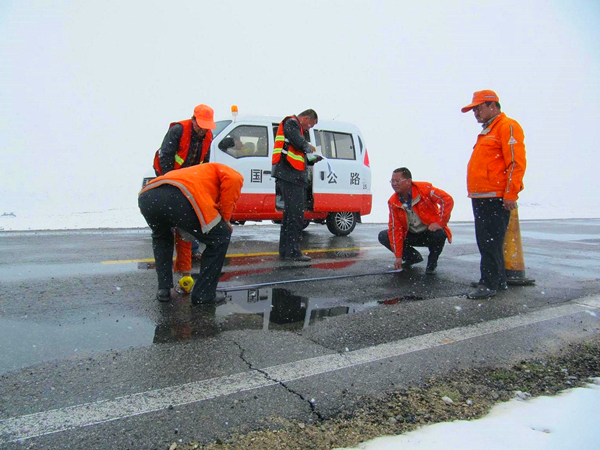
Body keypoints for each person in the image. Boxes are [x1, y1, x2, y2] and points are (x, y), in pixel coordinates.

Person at [138, 163, 244, 304]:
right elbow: (233, 180)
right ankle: (204, 295)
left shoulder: (198, 176)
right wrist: (225, 219)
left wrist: (186, 272)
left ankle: (164, 290)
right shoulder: (230, 172)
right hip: (180, 194)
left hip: (148, 195)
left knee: (162, 238)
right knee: (221, 236)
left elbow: (184, 236)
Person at [461, 90, 527, 299]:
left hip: (495, 197)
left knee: (490, 241)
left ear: (493, 106)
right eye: (474, 110)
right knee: (487, 241)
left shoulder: (507, 127)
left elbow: (516, 163)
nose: (476, 113)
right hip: (482, 197)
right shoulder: (488, 131)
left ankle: (489, 283)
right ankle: (497, 279)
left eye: (478, 108)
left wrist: (510, 193)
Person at [152, 104, 216, 283]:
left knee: (187, 218)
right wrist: (169, 181)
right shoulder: (179, 130)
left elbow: (205, 162)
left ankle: (188, 256)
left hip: (189, 179)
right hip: (170, 175)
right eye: (200, 126)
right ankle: (169, 270)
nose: (203, 130)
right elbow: (165, 156)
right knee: (171, 219)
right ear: (194, 119)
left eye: (206, 127)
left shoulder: (208, 136)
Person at [378, 167, 453, 274]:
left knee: (439, 234)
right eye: (392, 181)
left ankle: (431, 265)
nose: (394, 184)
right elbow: (395, 229)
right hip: (411, 235)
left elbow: (447, 200)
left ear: (408, 181)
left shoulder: (425, 189)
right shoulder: (393, 202)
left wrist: (440, 223)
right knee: (384, 235)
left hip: (429, 233)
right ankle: (412, 257)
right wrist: (398, 256)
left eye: (397, 181)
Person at [271, 109, 322, 261]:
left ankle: (286, 251)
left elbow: (296, 154)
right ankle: (293, 251)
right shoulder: (291, 122)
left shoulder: (293, 127)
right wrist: (309, 147)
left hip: (291, 174)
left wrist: (312, 159)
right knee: (296, 215)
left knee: (289, 215)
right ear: (306, 118)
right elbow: (298, 142)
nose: (308, 129)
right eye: (310, 125)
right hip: (290, 175)